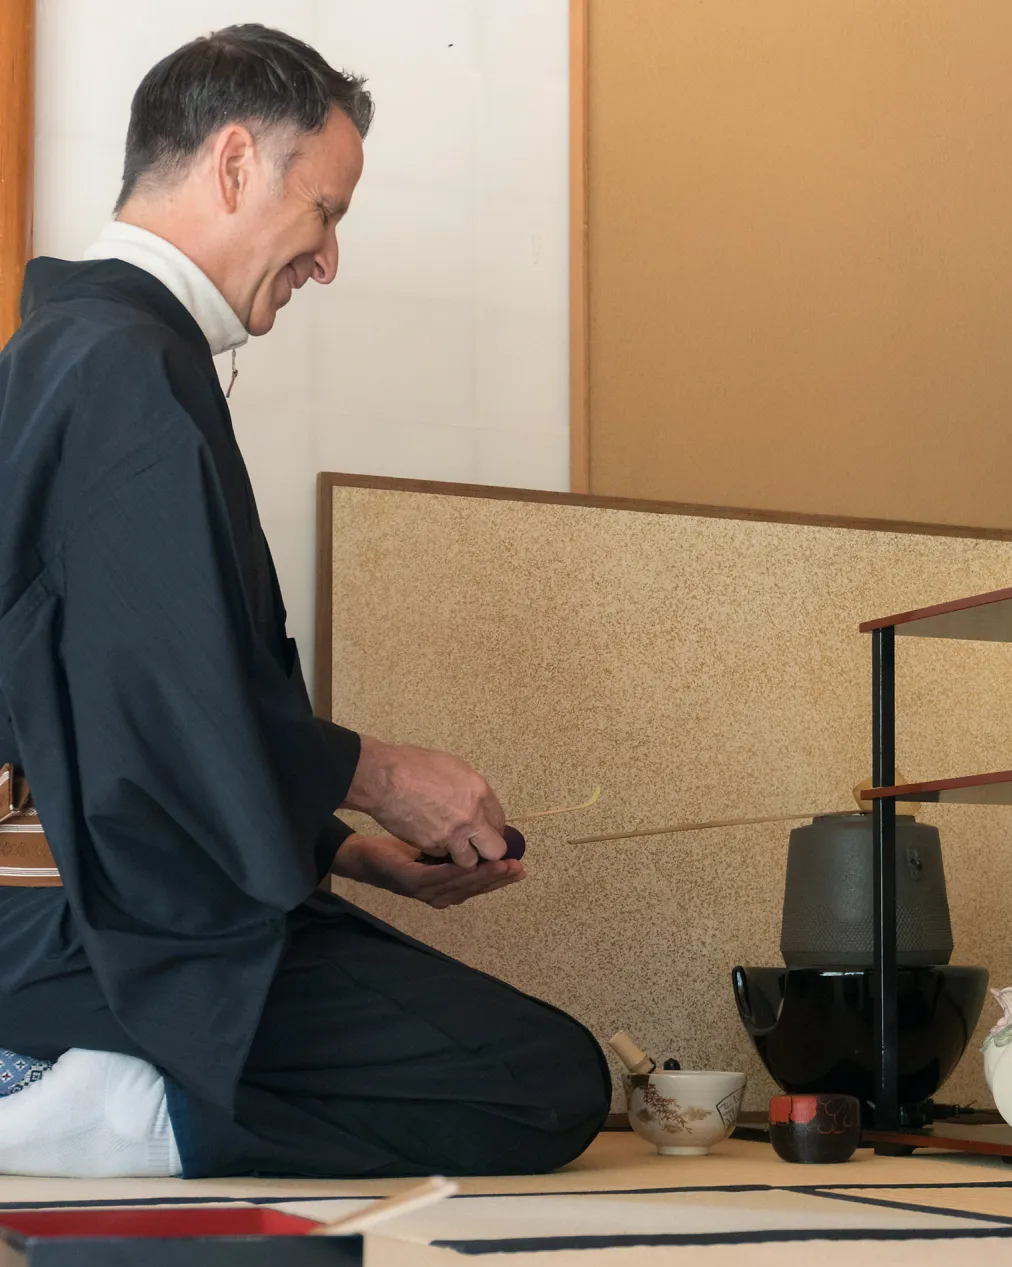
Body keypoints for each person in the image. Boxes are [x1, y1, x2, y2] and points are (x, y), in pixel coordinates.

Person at [0, 24, 610, 1179]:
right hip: (79, 925)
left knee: (533, 1069)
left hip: (92, 906)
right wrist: (380, 772)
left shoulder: (92, 353)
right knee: (542, 1083)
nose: (327, 260)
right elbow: (163, 701)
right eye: (325, 211)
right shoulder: (120, 366)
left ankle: (104, 1088)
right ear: (234, 165)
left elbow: (133, 721)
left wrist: (352, 851)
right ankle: (80, 1106)